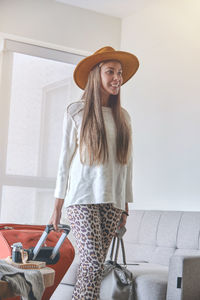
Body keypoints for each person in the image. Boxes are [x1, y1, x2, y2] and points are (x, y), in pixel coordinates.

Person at [49, 46, 139, 300]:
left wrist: (125, 206)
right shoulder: (75, 112)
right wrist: (57, 207)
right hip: (81, 200)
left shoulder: (124, 117)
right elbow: (63, 163)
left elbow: (127, 165)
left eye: (119, 73)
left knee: (96, 268)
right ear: (96, 75)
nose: (117, 78)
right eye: (110, 71)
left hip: (112, 203)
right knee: (91, 264)